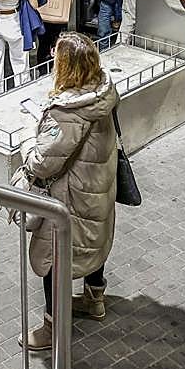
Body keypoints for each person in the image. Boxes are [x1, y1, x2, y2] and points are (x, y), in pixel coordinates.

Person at [21, 33, 119, 350]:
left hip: (71, 196)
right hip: (98, 187)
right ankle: (95, 299)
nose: (51, 54)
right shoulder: (103, 93)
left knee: (54, 258)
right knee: (93, 241)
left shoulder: (68, 113)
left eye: (57, 54)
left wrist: (27, 139)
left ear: (67, 68)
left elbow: (43, 163)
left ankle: (53, 328)